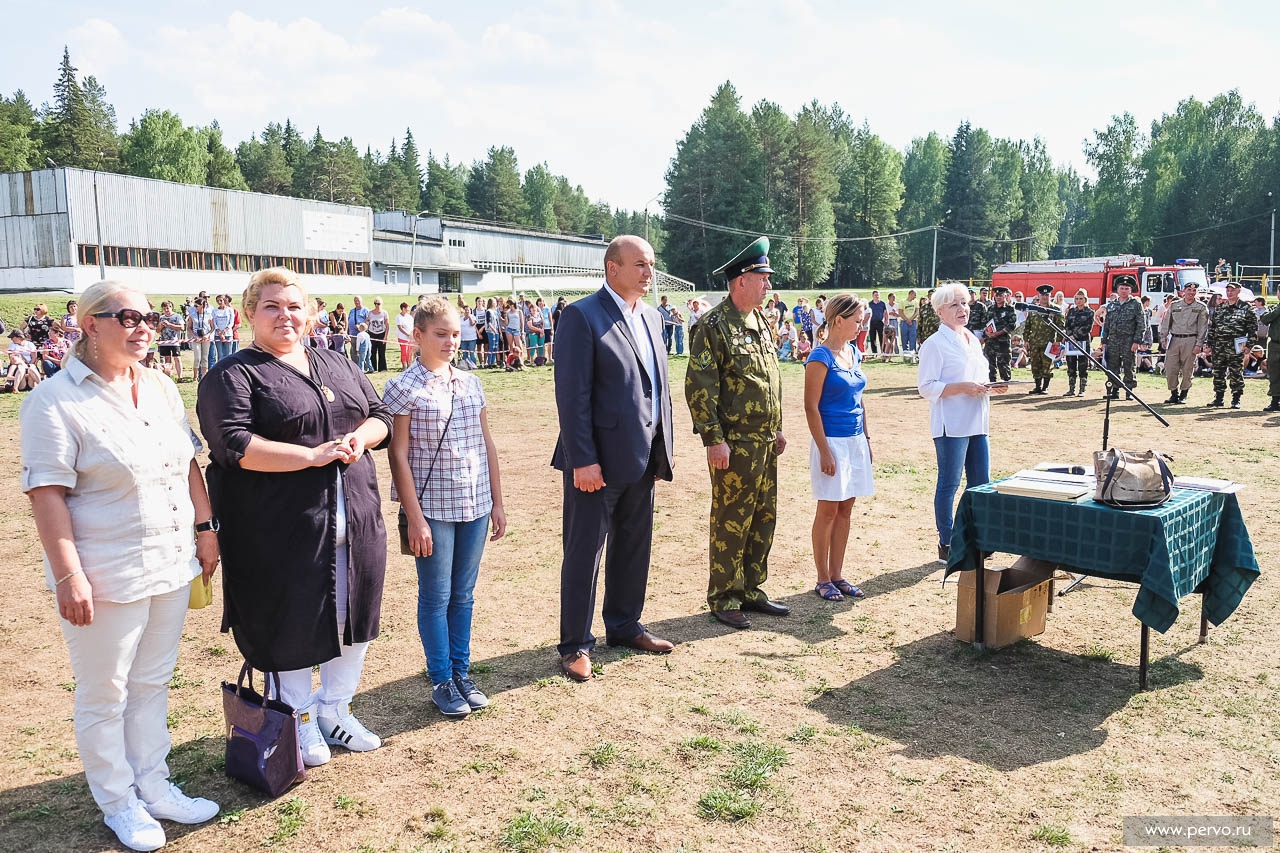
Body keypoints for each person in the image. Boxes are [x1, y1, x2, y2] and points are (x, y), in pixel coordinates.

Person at [21, 281, 221, 852]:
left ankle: (154, 785)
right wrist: (69, 575)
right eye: (129, 317)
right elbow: (47, 493)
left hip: (170, 560)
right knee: (105, 692)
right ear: (91, 324)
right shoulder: (53, 400)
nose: (144, 327)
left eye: (150, 318)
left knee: (152, 682)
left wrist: (206, 528)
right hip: (106, 571)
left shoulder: (159, 386)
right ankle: (118, 801)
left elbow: (187, 463)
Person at [196, 267, 392, 768]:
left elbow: (380, 415)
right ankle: (296, 717)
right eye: (272, 306)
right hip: (281, 530)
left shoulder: (336, 362)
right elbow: (233, 444)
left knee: (353, 619)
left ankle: (335, 709)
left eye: (294, 306)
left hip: (356, 520)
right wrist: (310, 456)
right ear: (249, 313)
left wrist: (359, 437)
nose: (285, 315)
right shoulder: (234, 374)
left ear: (310, 314)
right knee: (291, 624)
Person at [550, 236, 675, 681]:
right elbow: (572, 396)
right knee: (585, 552)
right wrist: (583, 459)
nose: (648, 273)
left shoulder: (653, 317)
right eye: (639, 264)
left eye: (651, 264)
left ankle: (624, 625)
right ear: (612, 268)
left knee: (634, 545)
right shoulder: (582, 315)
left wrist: (661, 450)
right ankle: (575, 645)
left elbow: (657, 387)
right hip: (596, 464)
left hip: (642, 456)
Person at [384, 297, 506, 717]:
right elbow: (398, 454)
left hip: (475, 504)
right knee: (436, 596)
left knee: (464, 595)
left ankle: (461, 673)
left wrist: (497, 501)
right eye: (441, 334)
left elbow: (487, 444)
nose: (451, 341)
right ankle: (441, 680)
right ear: (417, 335)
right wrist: (414, 516)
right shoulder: (402, 387)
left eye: (455, 333)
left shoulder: (471, 383)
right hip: (432, 508)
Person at [686, 236, 788, 630]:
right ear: (741, 281)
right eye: (763, 278)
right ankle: (724, 595)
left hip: (765, 442)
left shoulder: (760, 321)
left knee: (763, 516)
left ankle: (750, 589)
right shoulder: (713, 325)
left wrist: (777, 428)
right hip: (735, 444)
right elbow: (700, 386)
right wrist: (713, 439)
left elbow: (768, 380)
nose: (768, 285)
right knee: (732, 519)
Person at [917, 283, 1007, 561]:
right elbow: (926, 386)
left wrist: (991, 387)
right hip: (952, 423)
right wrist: (962, 388)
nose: (962, 309)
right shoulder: (934, 344)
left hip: (977, 421)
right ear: (940, 311)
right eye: (954, 305)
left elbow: (979, 376)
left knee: (981, 483)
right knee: (950, 483)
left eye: (965, 303)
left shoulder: (971, 339)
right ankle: (947, 541)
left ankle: (975, 536)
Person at [804, 294, 872, 603]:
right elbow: (811, 407)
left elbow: (860, 400)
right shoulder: (820, 357)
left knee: (846, 509)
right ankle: (822, 578)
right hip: (831, 441)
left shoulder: (853, 352)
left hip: (855, 441)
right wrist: (824, 451)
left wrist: (866, 440)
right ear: (839, 320)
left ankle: (837, 575)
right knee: (828, 510)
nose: (861, 326)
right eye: (857, 321)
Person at [1206, 282, 1258, 409]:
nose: (1229, 293)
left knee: (1236, 372)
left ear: (1238, 291)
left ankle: (1236, 398)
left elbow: (1253, 329)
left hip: (1236, 345)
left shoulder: (1246, 308)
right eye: (1228, 290)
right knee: (1218, 372)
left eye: (1232, 290)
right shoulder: (1220, 307)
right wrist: (1209, 343)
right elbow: (1213, 327)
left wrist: (1249, 345)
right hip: (1219, 345)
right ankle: (1219, 398)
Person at [1158, 281, 1209, 404]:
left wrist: (1199, 344)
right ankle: (1173, 393)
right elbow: (1166, 323)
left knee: (1188, 369)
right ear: (1183, 291)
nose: (1191, 293)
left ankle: (1184, 394)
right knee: (1170, 368)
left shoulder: (1201, 307)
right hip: (1174, 339)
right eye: (1189, 290)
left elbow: (1203, 327)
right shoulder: (1174, 305)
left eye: (1194, 290)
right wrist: (1163, 339)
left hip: (1191, 340)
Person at [1101, 277, 1145, 399]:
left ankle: (1129, 391)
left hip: (1129, 340)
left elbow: (1141, 324)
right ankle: (1114, 390)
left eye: (1126, 288)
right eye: (1122, 288)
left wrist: (1137, 341)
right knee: (1112, 365)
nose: (1124, 291)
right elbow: (1107, 324)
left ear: (1130, 290)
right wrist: (1104, 341)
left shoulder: (1136, 304)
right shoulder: (1111, 305)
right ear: (1117, 289)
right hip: (1113, 340)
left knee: (1129, 365)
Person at [1024, 284, 1058, 394]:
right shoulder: (1033, 309)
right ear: (1039, 296)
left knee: (1047, 365)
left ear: (1050, 296)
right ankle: (1037, 386)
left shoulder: (1055, 310)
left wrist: (1058, 341)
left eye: (1047, 295)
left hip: (1050, 343)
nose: (1044, 297)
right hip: (1034, 342)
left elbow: (1061, 326)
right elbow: (1027, 326)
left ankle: (1045, 387)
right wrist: (1026, 340)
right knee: (1035, 365)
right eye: (1042, 295)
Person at [1063, 289, 1095, 396]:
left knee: (1083, 365)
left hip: (1083, 341)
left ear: (1085, 299)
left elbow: (1088, 328)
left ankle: (1082, 389)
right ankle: (1071, 389)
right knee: (1071, 365)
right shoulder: (1071, 311)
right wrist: (1070, 336)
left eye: (1081, 299)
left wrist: (1075, 336)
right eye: (1076, 299)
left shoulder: (1090, 312)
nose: (1078, 301)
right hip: (1071, 341)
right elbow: (1067, 325)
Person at [982, 286, 1017, 383]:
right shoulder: (990, 308)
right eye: (996, 295)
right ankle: (991, 383)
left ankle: (1005, 383)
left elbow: (1012, 325)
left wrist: (998, 333)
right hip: (990, 341)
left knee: (1004, 364)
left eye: (1000, 295)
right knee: (989, 364)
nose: (998, 297)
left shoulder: (1010, 309)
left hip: (1003, 341)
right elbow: (984, 322)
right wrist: (987, 332)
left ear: (1005, 296)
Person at [186, 296, 213, 381]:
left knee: (205, 358)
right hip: (196, 338)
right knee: (197, 358)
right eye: (194, 306)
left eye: (196, 306)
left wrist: (207, 335)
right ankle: (195, 376)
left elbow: (212, 328)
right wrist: (194, 336)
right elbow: (189, 328)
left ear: (202, 306)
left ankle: (204, 376)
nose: (195, 307)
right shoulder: (192, 315)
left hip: (205, 338)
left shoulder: (209, 315)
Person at [1260, 298, 1280, 412]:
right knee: (1274, 373)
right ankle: (1275, 401)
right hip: (1275, 344)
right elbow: (1264, 319)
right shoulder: (1274, 308)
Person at [157, 301, 184, 381]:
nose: (166, 310)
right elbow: (157, 331)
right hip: (164, 342)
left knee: (177, 358)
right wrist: (161, 326)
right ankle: (168, 377)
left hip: (174, 342)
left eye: (168, 308)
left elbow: (182, 327)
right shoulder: (161, 318)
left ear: (171, 307)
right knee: (167, 360)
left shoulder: (177, 316)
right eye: (164, 309)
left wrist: (169, 325)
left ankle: (180, 377)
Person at [211, 294, 236, 364]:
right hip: (217, 335)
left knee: (228, 354)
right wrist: (219, 332)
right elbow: (214, 322)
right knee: (220, 354)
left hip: (228, 334)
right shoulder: (214, 310)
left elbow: (231, 322)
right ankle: (220, 369)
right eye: (217, 301)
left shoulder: (230, 310)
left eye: (221, 300)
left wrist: (224, 331)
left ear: (224, 301)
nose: (219, 302)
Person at [366, 297, 390, 372]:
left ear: (381, 304)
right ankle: (373, 368)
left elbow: (387, 325)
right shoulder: (370, 313)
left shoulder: (384, 313)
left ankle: (382, 368)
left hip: (381, 334)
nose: (377, 305)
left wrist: (385, 337)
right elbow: (367, 322)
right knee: (372, 352)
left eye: (378, 304)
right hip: (372, 333)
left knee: (381, 352)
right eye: (375, 303)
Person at [347, 295, 370, 363]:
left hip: (361, 335)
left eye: (358, 301)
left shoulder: (366, 310)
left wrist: (360, 327)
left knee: (362, 352)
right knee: (353, 351)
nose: (357, 302)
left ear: (361, 301)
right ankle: (355, 365)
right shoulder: (352, 311)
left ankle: (363, 366)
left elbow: (368, 322)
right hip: (352, 334)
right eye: (355, 301)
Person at [396, 301, 415, 368]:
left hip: (410, 338)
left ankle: (410, 366)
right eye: (407, 308)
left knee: (410, 352)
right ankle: (404, 366)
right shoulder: (399, 317)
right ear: (403, 308)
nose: (408, 310)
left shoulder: (410, 317)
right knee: (404, 352)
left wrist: (412, 335)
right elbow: (400, 328)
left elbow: (413, 326)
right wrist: (407, 334)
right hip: (403, 338)